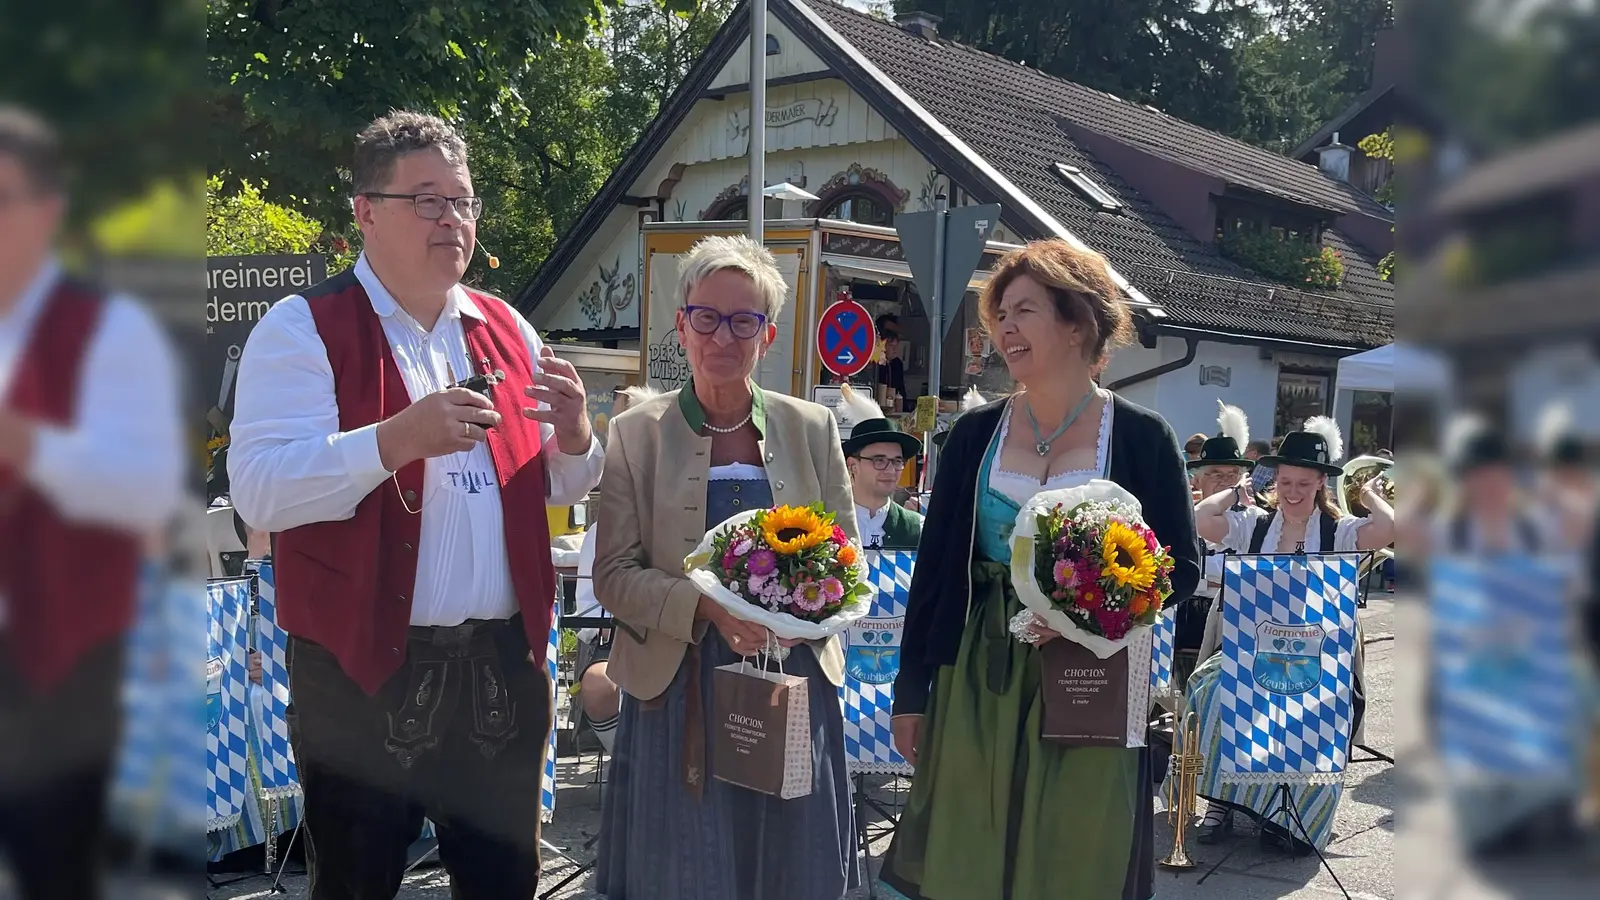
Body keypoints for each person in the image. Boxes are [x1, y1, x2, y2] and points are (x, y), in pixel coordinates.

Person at [229, 111, 602, 898]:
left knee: (505, 882)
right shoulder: (302, 329)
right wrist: (393, 440)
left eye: (463, 201)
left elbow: (559, 491)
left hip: (503, 663)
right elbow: (259, 489)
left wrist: (575, 438)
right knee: (357, 884)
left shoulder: (509, 327)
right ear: (365, 211)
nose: (453, 219)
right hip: (359, 672)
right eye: (427, 200)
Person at [880, 240, 1200, 900]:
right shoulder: (973, 436)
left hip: (1096, 671)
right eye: (1000, 314)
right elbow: (937, 576)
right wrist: (912, 695)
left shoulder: (1142, 437)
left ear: (1077, 321)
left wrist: (1094, 614)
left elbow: (1181, 567)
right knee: (972, 838)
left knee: (1077, 842)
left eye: (1023, 310)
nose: (1004, 328)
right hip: (981, 673)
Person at [592, 235, 861, 900]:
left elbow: (848, 564)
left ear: (767, 335)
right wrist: (705, 607)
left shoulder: (812, 428)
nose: (723, 336)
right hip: (675, 691)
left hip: (789, 679)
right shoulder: (636, 432)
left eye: (745, 321)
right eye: (707, 316)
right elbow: (612, 576)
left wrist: (805, 621)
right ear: (682, 325)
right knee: (683, 870)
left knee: (786, 870)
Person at [0, 105, 182, 900]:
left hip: (56, 668)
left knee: (54, 874)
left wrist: (29, 444)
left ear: (48, 211)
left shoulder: (111, 333)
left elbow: (147, 487)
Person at [1187, 417, 1394, 853]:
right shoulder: (1254, 526)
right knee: (1209, 692)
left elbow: (1390, 530)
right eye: (1285, 482)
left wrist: (1369, 495)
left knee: (1316, 705)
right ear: (1274, 481)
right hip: (1249, 650)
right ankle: (1221, 801)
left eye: (1303, 482)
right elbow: (1202, 517)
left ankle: (1290, 811)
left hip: (1318, 655)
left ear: (1321, 482)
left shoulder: (1340, 531)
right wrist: (1238, 489)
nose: (1293, 492)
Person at [571, 384, 660, 754]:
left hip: (671, 642)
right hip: (615, 647)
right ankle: (630, 766)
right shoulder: (601, 530)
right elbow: (588, 610)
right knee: (598, 684)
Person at [1176, 402, 1256, 691]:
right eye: (1216, 474)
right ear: (1197, 477)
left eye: (1232, 474)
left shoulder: (1253, 521)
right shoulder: (1180, 518)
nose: (1225, 481)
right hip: (1183, 623)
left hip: (1230, 620)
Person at [836, 382, 924, 550]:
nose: (891, 470)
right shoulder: (823, 527)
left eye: (897, 461)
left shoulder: (918, 529)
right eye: (879, 460)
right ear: (853, 465)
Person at [876, 313, 908, 407]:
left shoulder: (897, 364)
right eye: (891, 346)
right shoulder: (875, 364)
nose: (895, 350)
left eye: (896, 346)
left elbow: (901, 390)